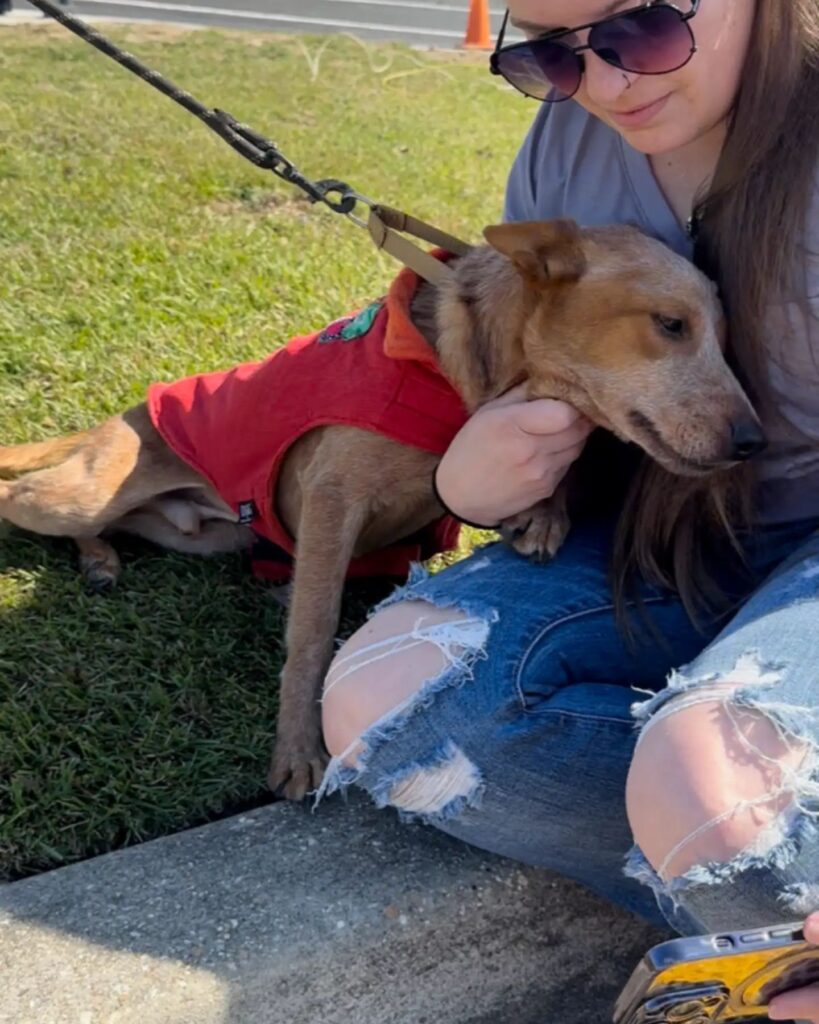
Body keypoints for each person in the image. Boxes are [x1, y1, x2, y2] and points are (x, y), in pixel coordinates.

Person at [320, 0, 819, 963]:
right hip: (656, 530)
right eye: (551, 55)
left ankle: (740, 862)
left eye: (638, 30)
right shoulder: (564, 147)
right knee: (388, 700)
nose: (605, 85)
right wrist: (476, 483)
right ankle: (756, 889)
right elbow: (527, 361)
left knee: (712, 780)